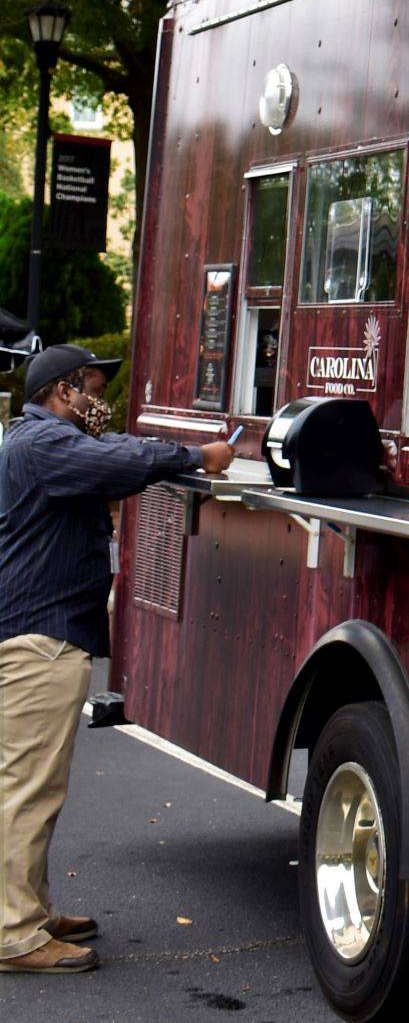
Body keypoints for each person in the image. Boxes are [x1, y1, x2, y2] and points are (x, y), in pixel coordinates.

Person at [0, 344, 233, 974]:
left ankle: (29, 908)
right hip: (38, 639)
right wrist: (197, 456)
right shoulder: (42, 444)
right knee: (26, 790)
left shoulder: (40, 442)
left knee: (34, 787)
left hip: (42, 632)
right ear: (60, 391)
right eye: (89, 387)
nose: (97, 401)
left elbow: (115, 456)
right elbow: (119, 456)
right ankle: (15, 935)